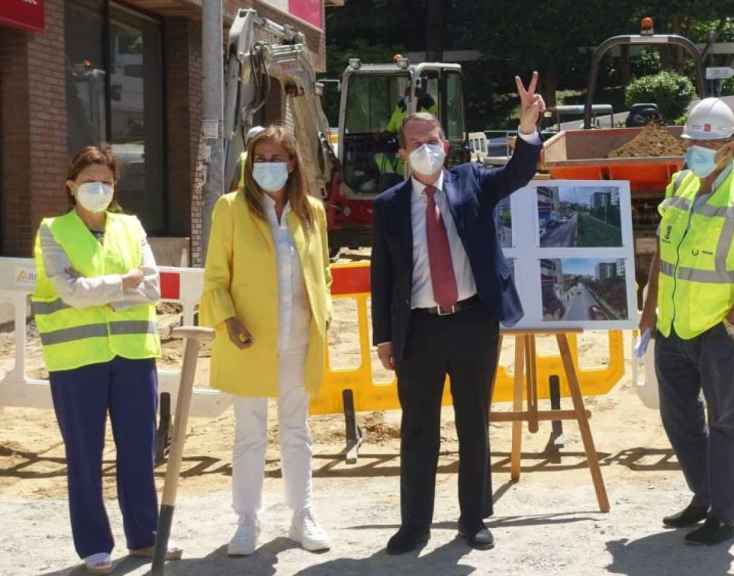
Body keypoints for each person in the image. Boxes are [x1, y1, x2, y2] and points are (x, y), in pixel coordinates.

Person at [370, 72, 545, 554]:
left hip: (473, 321)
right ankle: (415, 525)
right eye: (414, 143)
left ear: (446, 144)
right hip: (418, 330)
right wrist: (383, 337)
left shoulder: (472, 184)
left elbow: (516, 174)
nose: (424, 148)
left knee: (474, 422)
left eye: (431, 140)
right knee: (418, 429)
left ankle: (473, 518)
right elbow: (381, 277)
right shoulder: (388, 206)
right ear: (402, 152)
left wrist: (527, 129)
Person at [638, 97, 734, 546]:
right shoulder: (680, 185)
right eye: (693, 141)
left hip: (719, 331)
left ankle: (725, 515)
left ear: (732, 144)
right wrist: (650, 309)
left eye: (710, 142)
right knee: (678, 417)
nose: (698, 149)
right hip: (674, 326)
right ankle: (703, 495)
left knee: (724, 422)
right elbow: (665, 251)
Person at [32, 145, 180, 574]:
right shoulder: (52, 231)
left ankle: (144, 536)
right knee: (85, 454)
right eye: (89, 182)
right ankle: (94, 545)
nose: (98, 189)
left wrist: (100, 289)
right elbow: (71, 293)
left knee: (138, 449)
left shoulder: (131, 227)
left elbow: (152, 288)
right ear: (70, 186)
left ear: (115, 187)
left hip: (134, 355)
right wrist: (122, 283)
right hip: (77, 361)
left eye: (106, 182)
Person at [201, 124, 334, 556]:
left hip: (299, 340)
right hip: (250, 340)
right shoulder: (229, 209)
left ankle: (303, 515)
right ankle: (246, 521)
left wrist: (325, 316)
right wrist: (228, 320)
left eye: (278, 158)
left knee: (297, 431)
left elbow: (323, 273)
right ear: (249, 164)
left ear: (293, 163)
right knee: (250, 433)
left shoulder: (312, 211)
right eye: (262, 159)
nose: (269, 167)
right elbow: (216, 279)